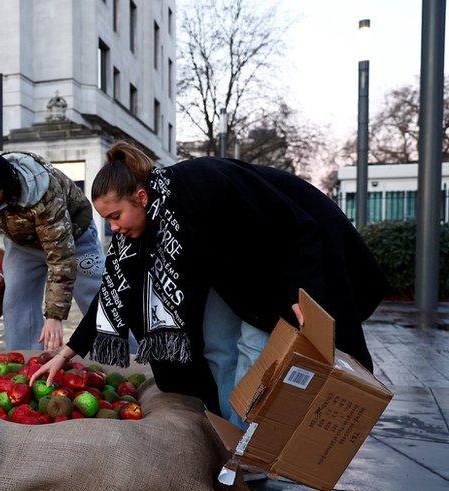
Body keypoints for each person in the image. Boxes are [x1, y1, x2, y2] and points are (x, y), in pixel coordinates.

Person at [31, 141, 387, 425]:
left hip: (276, 259)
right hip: (225, 269)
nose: (113, 228)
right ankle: (229, 426)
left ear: (141, 197)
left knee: (252, 346)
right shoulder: (140, 226)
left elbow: (293, 227)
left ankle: (243, 449)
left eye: (115, 216)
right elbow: (115, 291)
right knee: (217, 346)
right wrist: (67, 353)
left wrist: (304, 292)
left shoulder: (204, 181)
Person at [0, 143, 105, 352]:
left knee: (94, 296)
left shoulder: (46, 195)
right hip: (23, 243)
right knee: (16, 298)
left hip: (74, 237)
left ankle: (128, 357)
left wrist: (54, 316)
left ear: (7, 184)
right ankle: (24, 358)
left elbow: (61, 258)